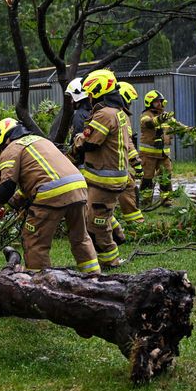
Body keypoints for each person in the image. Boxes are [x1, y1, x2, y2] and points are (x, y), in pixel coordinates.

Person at [0, 117, 99, 273]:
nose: (1, 153)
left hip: (51, 193)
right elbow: (43, 175)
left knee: (34, 241)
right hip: (78, 187)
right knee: (80, 237)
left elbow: (4, 189)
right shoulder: (41, 141)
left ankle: (40, 282)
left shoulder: (12, 148)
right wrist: (16, 201)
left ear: (4, 139)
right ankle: (93, 277)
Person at [71, 69, 130, 269]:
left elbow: (90, 142)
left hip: (106, 179)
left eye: (90, 92)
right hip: (106, 177)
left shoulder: (105, 114)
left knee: (96, 221)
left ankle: (110, 260)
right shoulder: (115, 111)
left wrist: (76, 140)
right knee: (98, 210)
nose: (88, 96)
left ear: (98, 89)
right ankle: (118, 234)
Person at [139, 90, 196, 207]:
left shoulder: (166, 116)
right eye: (156, 102)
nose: (159, 104)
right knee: (147, 178)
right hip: (148, 155)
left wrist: (191, 130)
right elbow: (149, 123)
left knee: (165, 177)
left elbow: (178, 126)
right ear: (149, 103)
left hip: (163, 155)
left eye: (160, 102)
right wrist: (160, 119)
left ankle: (166, 201)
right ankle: (145, 202)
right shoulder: (146, 115)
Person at [116, 82, 144, 226]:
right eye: (130, 101)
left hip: (112, 163)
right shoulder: (121, 116)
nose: (130, 104)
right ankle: (136, 225)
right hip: (116, 165)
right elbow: (129, 144)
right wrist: (137, 164)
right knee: (129, 191)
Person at [66, 77, 91, 145]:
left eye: (72, 97)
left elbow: (77, 140)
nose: (71, 101)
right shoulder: (94, 110)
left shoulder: (80, 115)